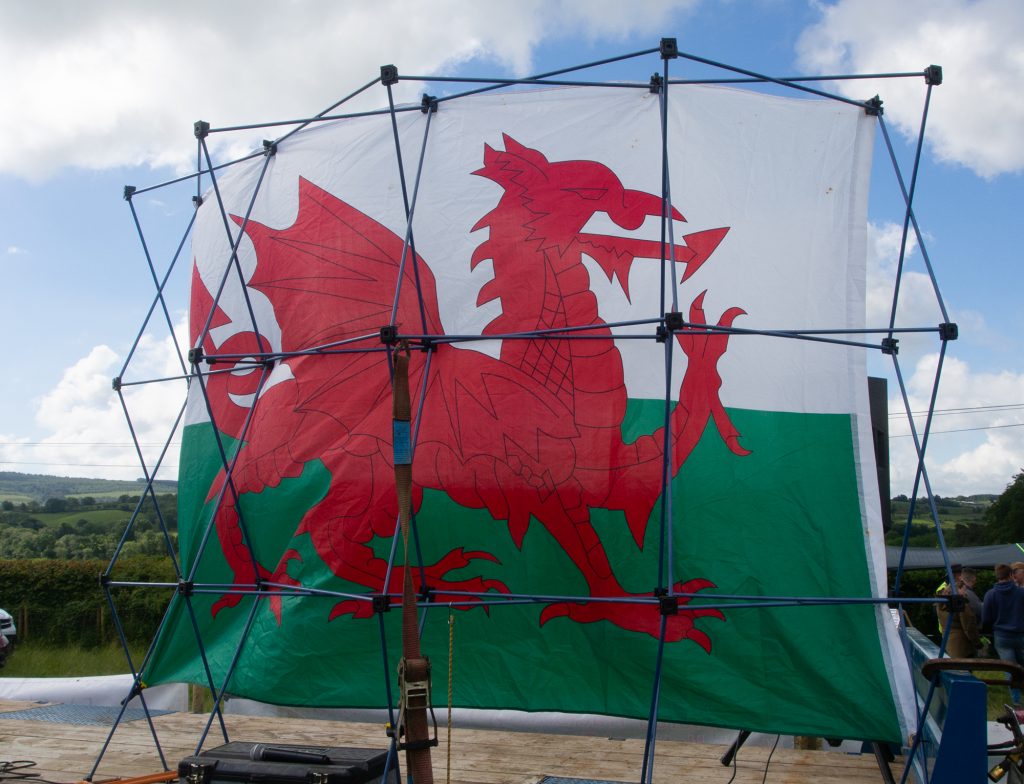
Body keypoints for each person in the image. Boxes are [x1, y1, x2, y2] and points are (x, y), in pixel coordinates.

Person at [982, 563, 1024, 704]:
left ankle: (1016, 701)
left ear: (997, 576)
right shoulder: (1020, 593)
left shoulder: (991, 594)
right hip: (1020, 634)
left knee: (1010, 668)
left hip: (1001, 635)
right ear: (1011, 575)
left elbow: (986, 618)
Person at [937, 568, 982, 658]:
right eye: (964, 589)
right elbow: (968, 626)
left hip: (949, 642)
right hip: (962, 646)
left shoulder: (942, 602)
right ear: (959, 589)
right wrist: (977, 643)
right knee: (964, 670)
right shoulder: (960, 604)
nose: (966, 592)